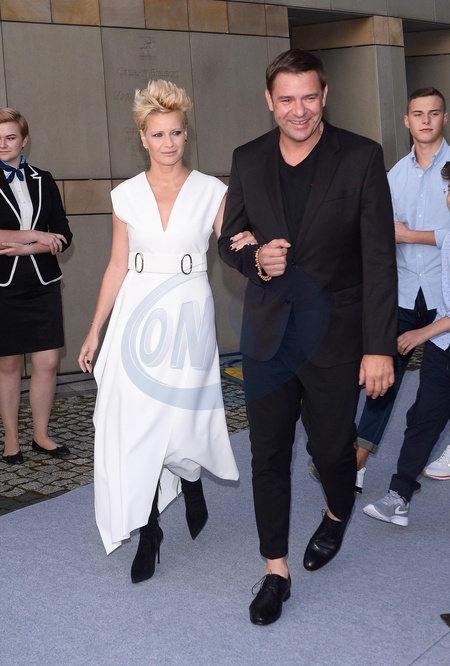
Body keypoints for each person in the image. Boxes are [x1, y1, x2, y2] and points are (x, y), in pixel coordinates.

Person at [218, 49, 397, 626]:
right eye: (287, 99)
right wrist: (256, 261)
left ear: (325, 97)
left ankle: (338, 512)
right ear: (269, 101)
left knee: (330, 450)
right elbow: (228, 239)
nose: (299, 110)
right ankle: (276, 571)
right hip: (269, 334)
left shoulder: (362, 157)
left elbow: (379, 259)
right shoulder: (247, 158)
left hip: (337, 335)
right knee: (267, 453)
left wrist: (379, 346)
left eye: (309, 97)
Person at [78, 80, 253, 583]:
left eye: (176, 132)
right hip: (136, 314)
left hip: (188, 314)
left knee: (182, 416)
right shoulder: (125, 196)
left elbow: (232, 249)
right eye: (158, 134)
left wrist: (255, 248)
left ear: (186, 133)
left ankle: (189, 478)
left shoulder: (212, 191)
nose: (168, 142)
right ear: (143, 137)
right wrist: (95, 330)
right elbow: (117, 265)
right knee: (137, 423)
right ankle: (149, 530)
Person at [355, 87, 450, 485]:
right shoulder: (394, 175)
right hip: (406, 291)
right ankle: (357, 461)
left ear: (444, 117)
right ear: (407, 120)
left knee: (436, 388)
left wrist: (411, 235)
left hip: (445, 295)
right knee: (383, 377)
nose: (426, 120)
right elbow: (380, 233)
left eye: (434, 113)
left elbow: (408, 234)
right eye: (418, 114)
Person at [363, 160, 450, 526]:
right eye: (449, 190)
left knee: (425, 415)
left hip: (436, 334)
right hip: (443, 344)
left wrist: (420, 333)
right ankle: (399, 496)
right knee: (423, 417)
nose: (449, 197)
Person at [0, 108, 72, 465]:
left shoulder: (43, 179)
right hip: (3, 286)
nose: (3, 144)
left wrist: (29, 247)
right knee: (8, 365)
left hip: (43, 283)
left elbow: (64, 235)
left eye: (10, 137)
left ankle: (41, 435)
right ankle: (11, 441)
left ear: (24, 139)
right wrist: (35, 234)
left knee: (48, 361)